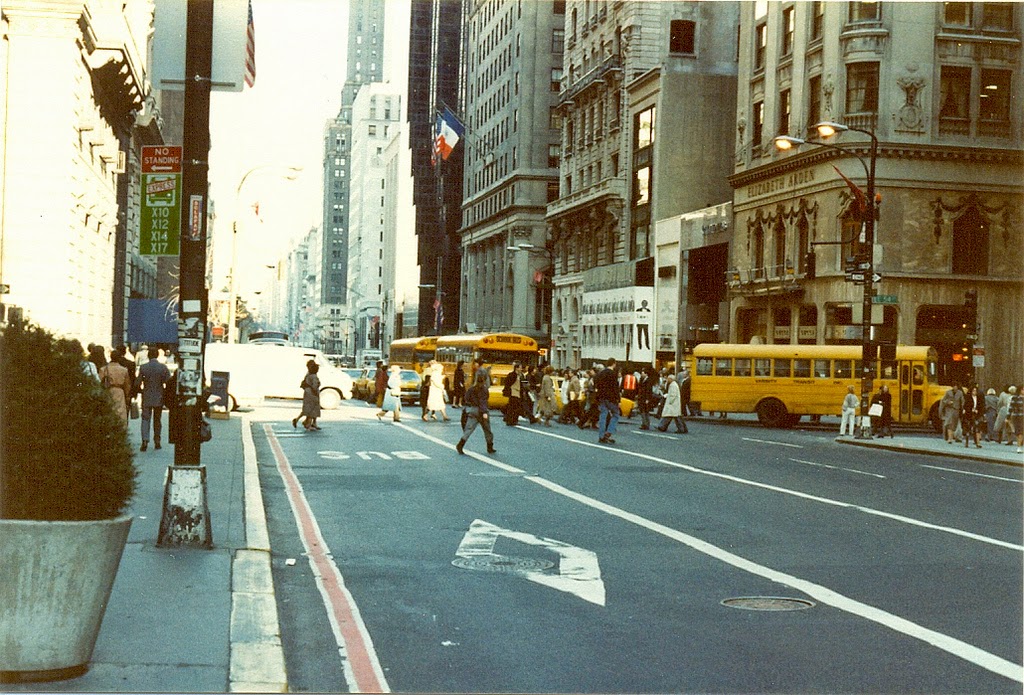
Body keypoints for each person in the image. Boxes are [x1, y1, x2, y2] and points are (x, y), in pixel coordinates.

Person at [134, 346, 171, 451]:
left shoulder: (143, 367)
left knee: (145, 419)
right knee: (157, 420)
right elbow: (168, 382)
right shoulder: (163, 368)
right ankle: (157, 441)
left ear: (148, 355)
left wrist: (141, 390)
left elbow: (137, 383)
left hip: (146, 396)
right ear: (157, 355)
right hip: (159, 396)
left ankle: (145, 440)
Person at [456, 371, 497, 455]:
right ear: (485, 380)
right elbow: (483, 401)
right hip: (482, 411)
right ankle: (490, 447)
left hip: (473, 410)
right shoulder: (484, 389)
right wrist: (484, 412)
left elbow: (466, 398)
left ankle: (460, 444)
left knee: (469, 429)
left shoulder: (471, 388)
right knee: (487, 430)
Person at [98, 347, 131, 425]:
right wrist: (127, 396)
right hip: (120, 391)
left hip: (108, 391)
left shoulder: (103, 369)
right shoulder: (124, 370)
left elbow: (99, 383)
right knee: (120, 412)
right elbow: (127, 384)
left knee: (109, 411)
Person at [594, 357, 621, 444]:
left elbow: (596, 384)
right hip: (611, 398)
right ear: (614, 363)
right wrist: (618, 400)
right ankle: (609, 432)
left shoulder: (601, 373)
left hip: (602, 397)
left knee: (603, 416)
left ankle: (601, 436)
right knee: (616, 414)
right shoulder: (613, 374)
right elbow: (615, 388)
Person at [293, 360, 322, 431]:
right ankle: (307, 424)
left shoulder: (309, 374)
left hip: (308, 392)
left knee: (310, 408)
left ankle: (312, 423)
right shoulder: (313, 375)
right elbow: (314, 386)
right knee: (311, 409)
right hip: (312, 393)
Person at [961, 384, 983, 449]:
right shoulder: (968, 398)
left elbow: (980, 406)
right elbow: (966, 406)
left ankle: (978, 443)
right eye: (973, 391)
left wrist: (978, 411)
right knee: (968, 428)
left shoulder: (978, 398)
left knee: (977, 428)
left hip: (976, 414)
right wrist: (971, 409)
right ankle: (967, 442)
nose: (974, 392)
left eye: (975, 391)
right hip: (969, 414)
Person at [636, 365, 656, 430]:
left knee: (645, 411)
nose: (641, 373)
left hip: (645, 398)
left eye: (643, 372)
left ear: (646, 373)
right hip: (641, 398)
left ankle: (645, 424)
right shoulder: (642, 380)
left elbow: (648, 390)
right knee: (643, 411)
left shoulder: (648, 381)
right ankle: (645, 423)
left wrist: (647, 399)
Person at [1008, 386, 1024, 453]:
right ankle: (1019, 446)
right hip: (1018, 416)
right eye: (1023, 389)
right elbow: (1011, 407)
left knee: (1021, 431)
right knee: (1019, 431)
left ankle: (1020, 444)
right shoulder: (1015, 398)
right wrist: (1008, 416)